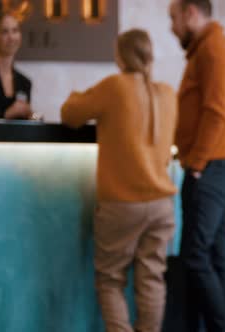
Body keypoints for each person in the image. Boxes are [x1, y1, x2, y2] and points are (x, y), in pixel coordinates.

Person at [60, 29, 177, 332]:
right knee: (152, 280)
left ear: (119, 55)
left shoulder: (114, 87)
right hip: (162, 205)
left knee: (111, 280)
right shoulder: (167, 93)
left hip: (122, 204)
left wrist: (74, 94)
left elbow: (70, 114)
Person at [169, 0, 225, 331]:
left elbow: (216, 112)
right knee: (214, 254)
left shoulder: (212, 48)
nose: (172, 27)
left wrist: (196, 162)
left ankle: (222, 327)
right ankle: (223, 326)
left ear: (191, 13)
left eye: (173, 18)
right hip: (218, 165)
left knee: (196, 257)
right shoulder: (206, 48)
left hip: (212, 166)